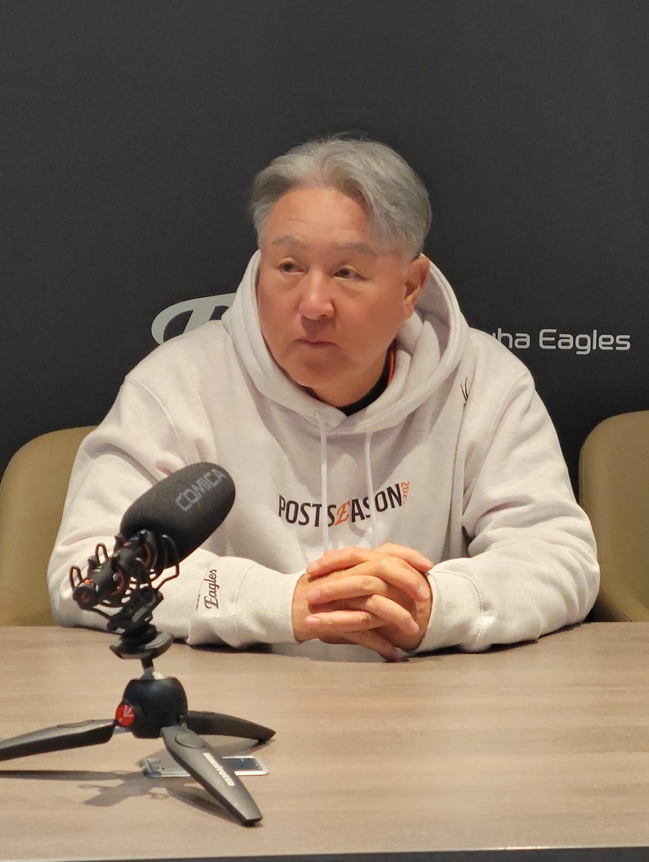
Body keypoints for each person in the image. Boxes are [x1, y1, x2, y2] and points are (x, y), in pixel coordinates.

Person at [48, 136, 599, 660]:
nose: (313, 304)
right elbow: (88, 571)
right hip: (232, 711)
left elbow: (559, 556)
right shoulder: (174, 385)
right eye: (288, 267)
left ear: (410, 287)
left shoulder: (485, 382)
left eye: (346, 272)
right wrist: (279, 603)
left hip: (426, 713)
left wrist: (437, 604)